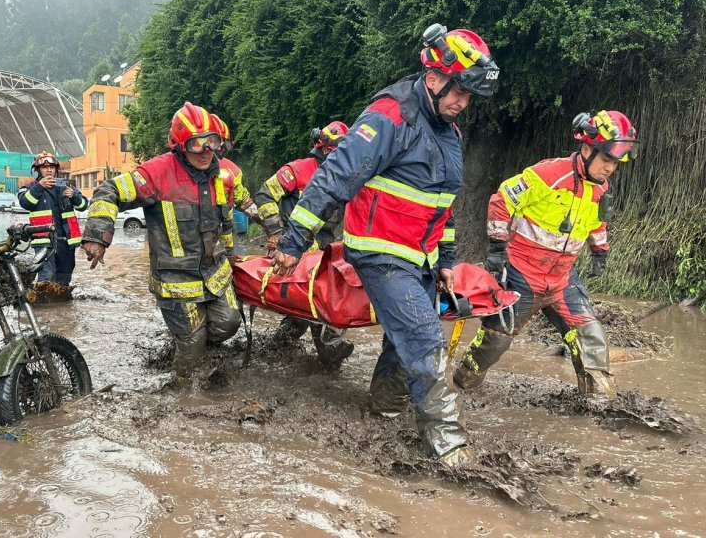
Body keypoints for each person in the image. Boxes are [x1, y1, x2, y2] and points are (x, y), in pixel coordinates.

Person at [269, 23, 500, 465]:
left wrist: (447, 260)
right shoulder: (391, 116)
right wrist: (295, 239)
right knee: (424, 335)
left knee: (404, 340)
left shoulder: (450, 133)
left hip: (421, 257)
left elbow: (444, 205)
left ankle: (384, 411)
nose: (463, 102)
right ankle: (451, 449)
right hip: (379, 249)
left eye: (470, 96)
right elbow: (337, 174)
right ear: (433, 78)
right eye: (459, 92)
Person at [453, 110, 639, 399]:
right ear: (587, 149)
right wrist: (498, 247)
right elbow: (502, 199)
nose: (610, 169)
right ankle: (461, 385)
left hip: (563, 278)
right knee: (495, 343)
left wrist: (599, 251)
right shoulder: (549, 173)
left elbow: (597, 221)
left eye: (615, 163)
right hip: (522, 275)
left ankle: (600, 407)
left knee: (592, 340)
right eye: (606, 160)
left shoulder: (601, 188)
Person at [81, 102, 241, 378]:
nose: (205, 151)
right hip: (175, 280)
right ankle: (182, 391)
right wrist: (98, 236)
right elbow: (108, 191)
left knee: (229, 323)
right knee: (192, 348)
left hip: (214, 274)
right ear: (180, 146)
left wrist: (239, 252)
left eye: (211, 142)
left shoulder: (222, 175)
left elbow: (229, 221)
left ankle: (196, 347)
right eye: (196, 144)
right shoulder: (156, 173)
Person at [255, 121, 355, 367]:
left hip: (322, 255)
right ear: (323, 147)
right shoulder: (299, 170)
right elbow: (265, 194)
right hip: (293, 253)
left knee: (304, 309)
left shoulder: (346, 180)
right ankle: (330, 349)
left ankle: (279, 348)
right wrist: (278, 234)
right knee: (316, 304)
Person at [18, 151, 89, 286]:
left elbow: (84, 206)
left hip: (66, 241)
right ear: (38, 170)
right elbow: (25, 203)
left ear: (56, 169)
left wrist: (74, 196)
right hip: (44, 240)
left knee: (64, 278)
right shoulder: (30, 187)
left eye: (52, 167)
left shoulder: (66, 186)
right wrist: (39, 187)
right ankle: (43, 305)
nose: (49, 170)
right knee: (46, 275)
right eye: (45, 167)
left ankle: (61, 305)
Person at [209, 113, 260, 223]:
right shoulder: (175, 171)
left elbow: (242, 199)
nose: (223, 150)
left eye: (224, 147)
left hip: (223, 234)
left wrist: (266, 221)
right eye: (220, 147)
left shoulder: (231, 170)